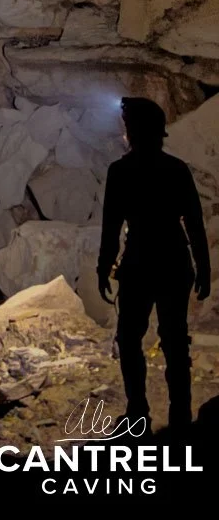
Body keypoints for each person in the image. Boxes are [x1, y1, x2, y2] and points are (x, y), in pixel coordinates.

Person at [97, 95, 211, 430]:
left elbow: (111, 226)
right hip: (174, 261)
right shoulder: (175, 170)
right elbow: (194, 222)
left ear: (132, 131)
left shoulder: (121, 171)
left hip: (140, 262)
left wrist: (103, 267)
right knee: (175, 338)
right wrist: (202, 267)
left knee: (130, 338)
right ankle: (180, 417)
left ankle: (137, 413)